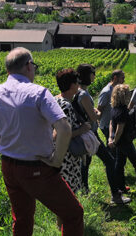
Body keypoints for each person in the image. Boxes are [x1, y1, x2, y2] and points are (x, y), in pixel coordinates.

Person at [0, 47, 84, 236]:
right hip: (37, 167)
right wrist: (56, 161)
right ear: (29, 66)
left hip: (9, 166)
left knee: (22, 218)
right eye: (34, 66)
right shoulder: (39, 93)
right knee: (73, 214)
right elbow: (64, 128)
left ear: (8, 71)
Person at [76, 64, 128, 204]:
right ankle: (115, 196)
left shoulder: (77, 92)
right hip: (90, 133)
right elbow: (95, 117)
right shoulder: (84, 94)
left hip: (85, 132)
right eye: (93, 73)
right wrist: (96, 112)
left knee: (86, 162)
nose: (95, 75)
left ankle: (84, 192)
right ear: (87, 75)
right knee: (110, 161)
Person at [54, 68, 91, 230]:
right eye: (77, 83)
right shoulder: (66, 106)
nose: (79, 86)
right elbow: (61, 134)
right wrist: (82, 130)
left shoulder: (56, 100)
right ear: (71, 85)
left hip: (60, 154)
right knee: (67, 195)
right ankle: (65, 227)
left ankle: (61, 226)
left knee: (62, 195)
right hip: (67, 157)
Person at [108, 84, 136, 190]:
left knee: (120, 163)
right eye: (128, 93)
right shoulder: (122, 111)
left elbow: (111, 123)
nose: (130, 95)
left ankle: (120, 186)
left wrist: (111, 137)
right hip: (124, 141)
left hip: (120, 141)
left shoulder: (114, 108)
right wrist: (114, 141)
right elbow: (120, 129)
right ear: (124, 96)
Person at [98, 69, 125, 143]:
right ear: (115, 78)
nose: (124, 80)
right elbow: (100, 108)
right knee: (112, 146)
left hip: (113, 123)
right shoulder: (106, 91)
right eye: (122, 78)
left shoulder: (117, 89)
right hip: (107, 125)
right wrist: (98, 121)